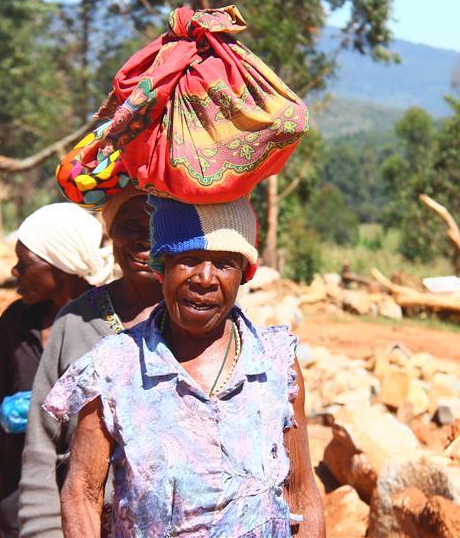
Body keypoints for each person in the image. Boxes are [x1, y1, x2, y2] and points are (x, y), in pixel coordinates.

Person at [43, 196, 325, 537]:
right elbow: (82, 493)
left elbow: (301, 493)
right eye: (188, 260)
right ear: (162, 266)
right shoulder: (114, 365)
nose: (205, 278)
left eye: (224, 264)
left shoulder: (277, 363)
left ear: (243, 275)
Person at [18, 186, 164, 537]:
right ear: (110, 232)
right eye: (129, 224)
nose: (143, 239)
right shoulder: (76, 321)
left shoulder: (196, 323)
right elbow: (41, 445)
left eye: (156, 224)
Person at [0, 203, 114, 538]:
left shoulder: (109, 325)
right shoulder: (16, 322)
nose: (15, 271)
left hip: (90, 496)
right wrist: (0, 507)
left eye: (25, 262)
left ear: (61, 265)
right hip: (24, 488)